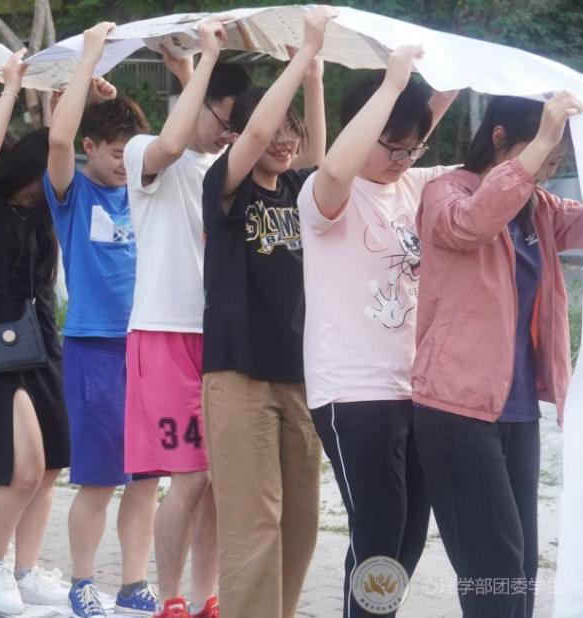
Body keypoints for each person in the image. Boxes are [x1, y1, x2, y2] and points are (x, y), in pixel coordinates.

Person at [412, 92, 583, 618]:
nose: (547, 170)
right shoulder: (447, 193)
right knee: (495, 565)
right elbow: (471, 224)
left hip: (517, 410)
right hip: (455, 407)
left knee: (522, 566)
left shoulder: (540, 209)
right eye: (544, 155)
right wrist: (540, 146)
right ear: (498, 137)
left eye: (556, 160)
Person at [296, 46, 457, 616]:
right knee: (380, 529)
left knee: (407, 536)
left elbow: (440, 108)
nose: (403, 159)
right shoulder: (326, 193)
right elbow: (336, 168)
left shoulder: (413, 183)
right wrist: (391, 85)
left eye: (414, 148)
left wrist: (451, 69)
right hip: (353, 391)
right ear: (361, 132)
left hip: (412, 387)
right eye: (394, 147)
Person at [200, 7, 332, 617]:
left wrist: (314, 78)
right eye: (273, 129)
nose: (284, 140)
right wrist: (300, 55)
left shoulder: (298, 190)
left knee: (301, 519)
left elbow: (321, 156)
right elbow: (254, 139)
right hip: (239, 374)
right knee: (255, 522)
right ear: (240, 135)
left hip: (298, 376)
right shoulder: (225, 186)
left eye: (291, 130)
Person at [122, 18, 251, 618]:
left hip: (218, 335)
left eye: (236, 126)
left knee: (219, 479)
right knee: (191, 478)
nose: (228, 133)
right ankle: (169, 598)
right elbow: (173, 143)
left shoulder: (225, 167)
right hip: (164, 333)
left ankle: (207, 599)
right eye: (224, 119)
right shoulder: (144, 154)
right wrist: (202, 63)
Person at [45, 23, 159, 618]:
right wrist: (88, 60)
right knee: (98, 478)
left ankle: (134, 583)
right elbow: (57, 138)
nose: (125, 163)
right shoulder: (72, 193)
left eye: (131, 154)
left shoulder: (144, 190)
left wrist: (116, 104)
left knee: (146, 477)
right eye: (117, 153)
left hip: (149, 345)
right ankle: (82, 580)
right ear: (90, 146)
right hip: (95, 347)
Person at [0, 49, 71, 616]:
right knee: (22, 468)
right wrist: (7, 88)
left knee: (49, 466)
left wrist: (68, 99)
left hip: (43, 340)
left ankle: (26, 569)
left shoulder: (47, 211)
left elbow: (63, 146)